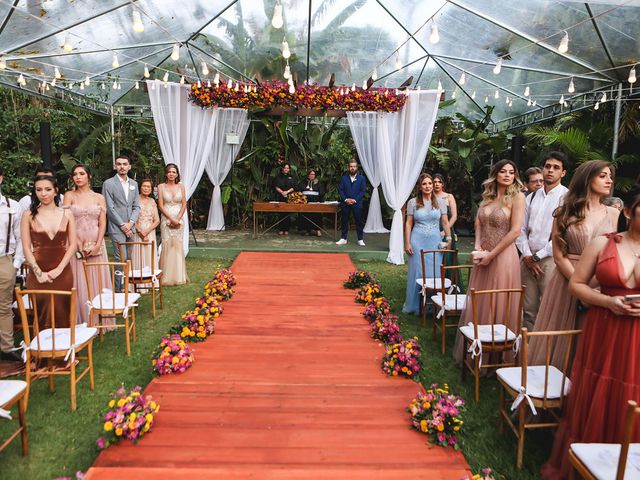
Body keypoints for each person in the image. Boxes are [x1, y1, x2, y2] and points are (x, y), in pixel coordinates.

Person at [541, 188, 640, 480]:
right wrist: (608, 302)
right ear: (628, 212)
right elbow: (578, 285)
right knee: (598, 389)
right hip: (604, 329)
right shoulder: (602, 244)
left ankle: (626, 465)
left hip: (637, 338)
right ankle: (587, 459)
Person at [528, 160, 619, 367]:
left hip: (601, 281)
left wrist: (592, 286)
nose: (609, 180)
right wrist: (579, 285)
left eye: (609, 176)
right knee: (560, 334)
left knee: (591, 335)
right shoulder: (564, 212)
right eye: (603, 176)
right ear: (587, 179)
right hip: (566, 279)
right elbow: (559, 256)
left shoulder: (615, 214)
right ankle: (551, 386)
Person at [453, 159, 525, 363]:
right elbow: (479, 225)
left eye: (512, 172)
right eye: (503, 171)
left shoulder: (518, 197)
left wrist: (491, 255)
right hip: (482, 255)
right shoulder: (487, 198)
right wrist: (477, 248)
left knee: (498, 301)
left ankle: (497, 356)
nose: (508, 175)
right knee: (481, 300)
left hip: (503, 257)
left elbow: (515, 231)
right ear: (495, 174)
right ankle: (478, 349)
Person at [515, 152, 569, 331]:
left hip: (550, 259)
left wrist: (538, 257)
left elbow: (563, 234)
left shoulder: (567, 198)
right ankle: (527, 354)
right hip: (528, 259)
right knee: (528, 309)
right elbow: (520, 230)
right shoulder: (530, 197)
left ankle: (545, 354)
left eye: (556, 167)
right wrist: (528, 256)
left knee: (548, 309)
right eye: (547, 166)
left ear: (563, 173)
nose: (550, 171)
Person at [21, 175, 76, 330]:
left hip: (63, 273)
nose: (43, 193)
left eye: (48, 189)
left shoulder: (67, 214)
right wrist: (38, 273)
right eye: (39, 190)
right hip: (38, 273)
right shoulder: (28, 215)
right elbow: (26, 247)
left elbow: (73, 245)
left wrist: (59, 270)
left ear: (56, 191)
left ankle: (65, 351)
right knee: (42, 314)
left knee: (63, 312)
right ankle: (43, 352)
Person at [63, 164, 113, 327]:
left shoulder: (99, 197)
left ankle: (101, 319)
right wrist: (77, 243)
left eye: (82, 173)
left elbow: (102, 222)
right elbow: (66, 222)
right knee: (79, 281)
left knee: (97, 278)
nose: (78, 177)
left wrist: (98, 244)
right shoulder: (69, 195)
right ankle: (82, 319)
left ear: (89, 176)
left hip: (96, 241)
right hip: (75, 243)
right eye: (75, 174)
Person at [402, 173, 451, 314]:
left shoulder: (441, 201)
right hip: (417, 241)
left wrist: (448, 239)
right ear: (420, 186)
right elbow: (408, 224)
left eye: (430, 183)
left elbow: (445, 222)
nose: (428, 186)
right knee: (418, 272)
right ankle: (415, 305)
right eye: (424, 184)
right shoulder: (412, 202)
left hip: (435, 241)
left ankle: (432, 304)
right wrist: (407, 243)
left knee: (434, 272)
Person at [102, 155, 140, 291]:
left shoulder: (134, 184)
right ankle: (118, 289)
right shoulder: (109, 183)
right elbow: (109, 208)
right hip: (117, 227)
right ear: (115, 166)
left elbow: (137, 207)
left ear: (129, 167)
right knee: (120, 258)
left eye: (125, 164)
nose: (122, 167)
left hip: (131, 226)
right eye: (119, 164)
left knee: (128, 258)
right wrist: (123, 226)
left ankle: (126, 286)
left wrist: (131, 223)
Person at [0, 167, 25, 362]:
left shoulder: (12, 206)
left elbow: (20, 238)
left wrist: (15, 265)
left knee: (4, 307)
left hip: (5, 261)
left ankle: (7, 348)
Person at [158, 163, 189, 286]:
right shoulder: (161, 186)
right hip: (166, 218)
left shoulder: (181, 187)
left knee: (177, 245)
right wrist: (170, 218)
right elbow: (160, 205)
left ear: (177, 174)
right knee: (167, 244)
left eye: (174, 172)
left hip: (179, 219)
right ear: (166, 173)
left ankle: (179, 276)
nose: (171, 174)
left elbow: (184, 204)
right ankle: (165, 276)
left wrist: (178, 219)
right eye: (169, 172)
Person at [132, 178, 160, 280]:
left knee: (150, 256)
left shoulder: (152, 201)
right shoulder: (134, 200)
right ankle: (137, 280)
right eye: (144, 186)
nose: (146, 188)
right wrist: (140, 232)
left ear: (151, 189)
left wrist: (147, 231)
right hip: (137, 231)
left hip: (150, 232)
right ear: (140, 187)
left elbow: (157, 220)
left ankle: (150, 280)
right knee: (138, 255)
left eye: (148, 187)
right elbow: (131, 218)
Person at [336, 159, 367, 246]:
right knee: (344, 221)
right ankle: (343, 238)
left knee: (358, 221)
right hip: (346, 203)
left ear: (357, 167)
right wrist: (346, 199)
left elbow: (362, 191)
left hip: (357, 203)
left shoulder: (361, 178)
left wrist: (355, 200)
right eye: (351, 166)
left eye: (354, 166)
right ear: (348, 167)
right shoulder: (344, 178)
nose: (352, 168)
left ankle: (360, 239)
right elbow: (341, 190)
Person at [299, 169, 325, 236]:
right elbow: (299, 191)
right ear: (308, 175)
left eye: (313, 174)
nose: (312, 176)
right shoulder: (303, 182)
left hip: (315, 202)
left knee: (316, 215)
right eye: (310, 174)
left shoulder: (319, 183)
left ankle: (317, 230)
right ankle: (307, 230)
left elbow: (322, 192)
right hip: (305, 202)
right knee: (306, 215)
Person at [273, 163, 296, 235]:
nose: (286, 169)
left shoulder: (291, 177)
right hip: (280, 196)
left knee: (287, 213)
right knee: (281, 213)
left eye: (287, 168)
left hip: (289, 197)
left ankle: (286, 229)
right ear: (282, 169)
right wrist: (282, 192)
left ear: (289, 169)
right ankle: (281, 229)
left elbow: (293, 187)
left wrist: (287, 192)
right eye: (285, 168)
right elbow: (276, 186)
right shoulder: (278, 177)